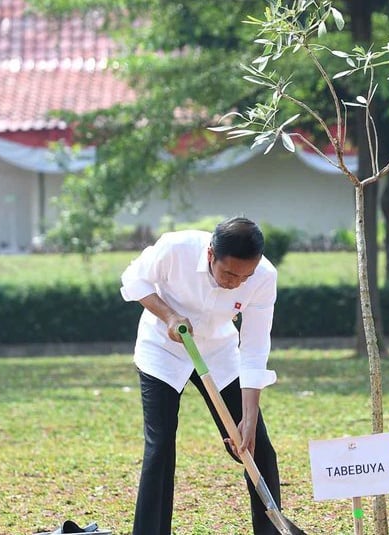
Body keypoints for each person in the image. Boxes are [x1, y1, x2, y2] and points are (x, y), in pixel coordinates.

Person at [120, 216, 281, 535]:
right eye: (230, 273)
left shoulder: (264, 277)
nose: (236, 282)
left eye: (244, 276)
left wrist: (248, 418)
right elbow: (133, 280)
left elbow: (254, 347)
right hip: (162, 349)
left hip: (219, 353)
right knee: (161, 445)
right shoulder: (175, 248)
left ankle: (272, 530)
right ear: (211, 254)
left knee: (257, 447)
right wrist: (169, 315)